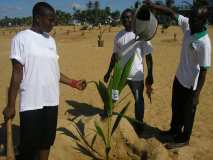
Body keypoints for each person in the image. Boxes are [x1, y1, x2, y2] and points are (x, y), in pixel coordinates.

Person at [2, 2, 86, 160]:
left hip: (51, 100)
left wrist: (73, 83)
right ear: (38, 18)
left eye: (54, 20)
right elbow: (17, 74)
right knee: (29, 147)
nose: (53, 23)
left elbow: (53, 71)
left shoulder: (50, 41)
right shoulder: (21, 39)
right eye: (50, 20)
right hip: (31, 102)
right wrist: (11, 105)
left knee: (46, 143)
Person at [144, 0, 211, 149]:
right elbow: (170, 12)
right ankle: (173, 131)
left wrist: (197, 94)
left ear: (203, 21)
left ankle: (184, 138)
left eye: (195, 19)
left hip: (191, 86)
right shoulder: (188, 24)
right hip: (179, 78)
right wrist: (153, 6)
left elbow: (204, 70)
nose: (191, 21)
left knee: (187, 113)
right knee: (176, 108)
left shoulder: (204, 43)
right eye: (191, 18)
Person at [104, 8, 154, 133]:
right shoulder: (118, 36)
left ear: (134, 19)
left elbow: (148, 57)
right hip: (119, 75)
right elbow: (115, 55)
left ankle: (139, 123)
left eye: (129, 17)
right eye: (124, 17)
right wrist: (108, 71)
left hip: (136, 76)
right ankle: (108, 118)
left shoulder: (142, 35)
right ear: (121, 20)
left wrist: (150, 74)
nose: (127, 19)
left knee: (138, 100)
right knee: (113, 96)